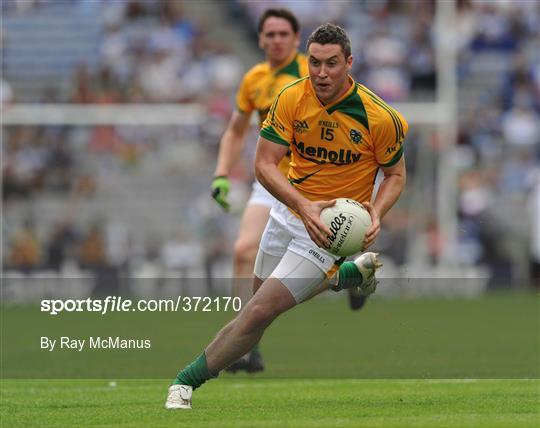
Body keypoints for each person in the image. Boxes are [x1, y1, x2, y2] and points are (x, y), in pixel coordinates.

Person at [166, 23, 408, 409]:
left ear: (349, 62)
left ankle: (184, 383)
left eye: (331, 63)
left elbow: (395, 175)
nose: (322, 72)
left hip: (331, 230)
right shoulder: (291, 98)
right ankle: (349, 275)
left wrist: (376, 212)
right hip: (289, 213)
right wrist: (303, 206)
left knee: (262, 309)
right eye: (314, 62)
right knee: (257, 310)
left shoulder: (380, 118)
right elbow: (264, 164)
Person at [210, 8, 307, 373]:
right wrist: (221, 172)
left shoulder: (314, 74)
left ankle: (357, 272)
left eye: (284, 34)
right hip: (270, 181)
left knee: (325, 266)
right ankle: (243, 346)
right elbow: (236, 130)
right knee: (242, 250)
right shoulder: (254, 79)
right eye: (271, 34)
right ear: (261, 39)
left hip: (311, 181)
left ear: (296, 39)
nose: (277, 40)